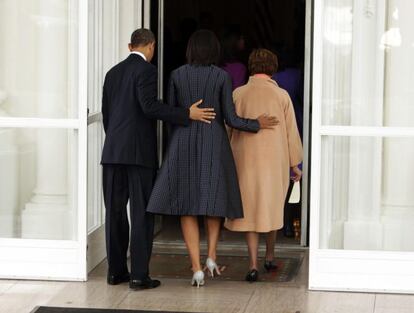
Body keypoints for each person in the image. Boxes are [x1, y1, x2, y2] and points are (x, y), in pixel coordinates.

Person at [146, 30, 278, 288]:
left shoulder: (177, 75)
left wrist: (182, 130)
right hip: (214, 143)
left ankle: (196, 268)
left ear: (191, 49)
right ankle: (212, 255)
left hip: (182, 142)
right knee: (213, 200)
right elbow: (230, 118)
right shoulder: (222, 76)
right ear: (214, 50)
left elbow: (173, 113)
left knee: (186, 206)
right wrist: (257, 124)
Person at [101, 28, 216, 290]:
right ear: (151, 46)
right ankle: (139, 276)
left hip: (112, 152)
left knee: (115, 213)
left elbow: (108, 115)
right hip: (139, 154)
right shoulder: (147, 71)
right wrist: (186, 114)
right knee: (141, 213)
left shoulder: (112, 73)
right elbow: (149, 107)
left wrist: (116, 143)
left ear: (130, 46)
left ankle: (115, 271)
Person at [224, 49, 303, 282]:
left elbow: (229, 127)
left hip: (244, 159)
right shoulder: (282, 96)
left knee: (250, 209)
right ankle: (269, 256)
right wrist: (295, 164)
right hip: (274, 161)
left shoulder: (238, 93)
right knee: (271, 208)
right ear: (272, 67)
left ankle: (252, 264)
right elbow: (291, 133)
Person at [272, 49, 304, 237]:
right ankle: (290, 224)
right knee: (295, 175)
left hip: (274, 125)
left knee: (280, 175)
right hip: (295, 121)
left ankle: (280, 222)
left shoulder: (272, 78)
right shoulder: (297, 75)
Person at [219, 26, 248, 90]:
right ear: (234, 41)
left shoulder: (215, 64)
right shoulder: (239, 68)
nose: (243, 41)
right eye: (241, 38)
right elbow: (236, 96)